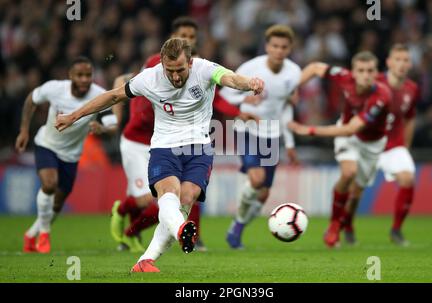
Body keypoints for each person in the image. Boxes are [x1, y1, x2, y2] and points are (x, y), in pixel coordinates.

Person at [55, 38, 264, 272]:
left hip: (199, 148)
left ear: (190, 62)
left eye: (180, 71)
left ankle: (145, 260)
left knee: (186, 200)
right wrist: (74, 115)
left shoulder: (205, 69)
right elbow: (113, 96)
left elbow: (232, 79)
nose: (175, 77)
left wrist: (249, 83)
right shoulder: (149, 78)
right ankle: (180, 232)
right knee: (169, 193)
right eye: (170, 71)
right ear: (162, 63)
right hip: (165, 147)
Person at [110, 16, 253, 253]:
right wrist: (126, 117)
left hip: (178, 142)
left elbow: (217, 98)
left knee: (183, 196)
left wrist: (238, 113)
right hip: (140, 138)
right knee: (150, 200)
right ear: (173, 39)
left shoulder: (197, 69)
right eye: (183, 35)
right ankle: (123, 212)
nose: (187, 39)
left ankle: (169, 233)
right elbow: (124, 85)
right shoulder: (155, 64)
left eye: (192, 37)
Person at [291, 51, 392, 248]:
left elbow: (350, 129)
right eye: (361, 70)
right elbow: (314, 67)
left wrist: (309, 130)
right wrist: (292, 88)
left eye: (370, 71)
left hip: (371, 144)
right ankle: (334, 225)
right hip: (349, 138)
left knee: (356, 194)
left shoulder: (381, 97)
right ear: (352, 72)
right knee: (348, 173)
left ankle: (348, 222)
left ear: (376, 73)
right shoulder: (344, 77)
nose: (365, 75)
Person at [17, 56, 118, 253]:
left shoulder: (100, 95)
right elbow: (31, 99)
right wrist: (24, 130)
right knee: (49, 184)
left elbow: (113, 126)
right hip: (47, 145)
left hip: (72, 155)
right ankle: (45, 233)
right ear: (70, 75)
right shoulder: (54, 88)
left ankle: (31, 235)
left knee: (58, 202)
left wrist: (103, 129)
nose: (84, 79)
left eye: (88, 75)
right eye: (79, 75)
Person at [219, 24, 301, 249]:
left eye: (284, 47)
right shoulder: (251, 67)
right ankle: (236, 228)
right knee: (256, 179)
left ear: (289, 48)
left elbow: (286, 107)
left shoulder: (294, 73)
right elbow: (224, 95)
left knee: (263, 194)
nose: (279, 50)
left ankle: (236, 228)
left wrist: (290, 142)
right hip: (246, 128)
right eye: (275, 46)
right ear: (267, 46)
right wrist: (242, 101)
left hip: (272, 134)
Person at [341, 44, 420, 246]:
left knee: (407, 178)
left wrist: (405, 146)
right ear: (388, 62)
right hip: (368, 144)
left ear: (410, 63)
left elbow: (410, 118)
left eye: (405, 60)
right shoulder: (374, 82)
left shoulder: (412, 89)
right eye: (398, 59)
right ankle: (348, 227)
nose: (402, 64)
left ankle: (396, 230)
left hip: (393, 145)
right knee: (356, 192)